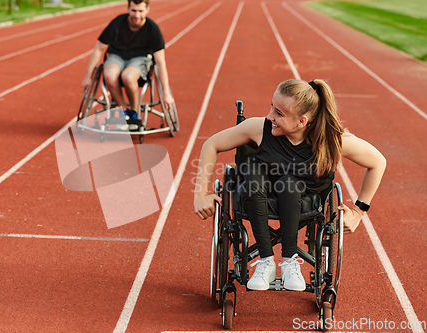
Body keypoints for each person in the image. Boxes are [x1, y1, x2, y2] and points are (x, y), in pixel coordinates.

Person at [193, 79, 386, 292]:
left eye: (279, 113)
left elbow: (378, 162)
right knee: (253, 173)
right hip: (256, 194)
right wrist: (201, 193)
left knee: (288, 182)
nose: (270, 117)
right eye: (272, 107)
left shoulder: (332, 141)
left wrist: (358, 211)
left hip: (305, 200)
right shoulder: (259, 128)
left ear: (301, 121)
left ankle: (289, 262)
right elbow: (211, 144)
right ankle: (265, 262)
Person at [81, 0, 174, 121]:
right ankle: (124, 110)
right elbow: (98, 49)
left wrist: (166, 93)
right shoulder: (118, 23)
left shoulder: (153, 29)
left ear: (147, 10)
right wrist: (88, 77)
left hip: (141, 58)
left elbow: (160, 63)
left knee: (128, 76)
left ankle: (134, 112)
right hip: (117, 56)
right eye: (134, 11)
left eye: (141, 11)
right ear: (128, 9)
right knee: (109, 74)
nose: (137, 15)